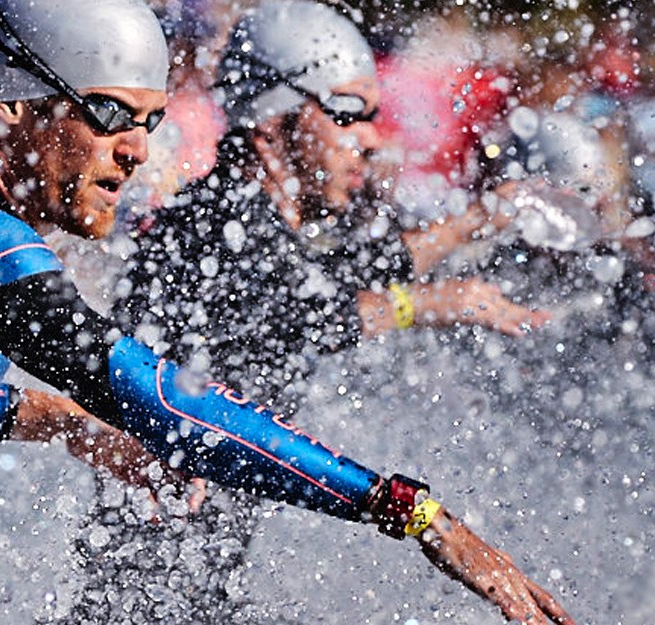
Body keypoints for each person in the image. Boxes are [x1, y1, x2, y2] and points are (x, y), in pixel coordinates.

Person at [0, 1, 574, 624]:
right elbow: (150, 390)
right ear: (13, 106)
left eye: (150, 122)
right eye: (106, 117)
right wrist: (409, 510)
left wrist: (66, 426)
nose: (136, 150)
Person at [117, 0, 550, 403]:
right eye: (346, 113)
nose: (372, 139)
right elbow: (298, 316)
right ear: (269, 121)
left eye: (372, 118)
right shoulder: (211, 221)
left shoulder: (255, 215)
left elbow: (338, 275)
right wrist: (422, 303)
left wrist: (472, 221)